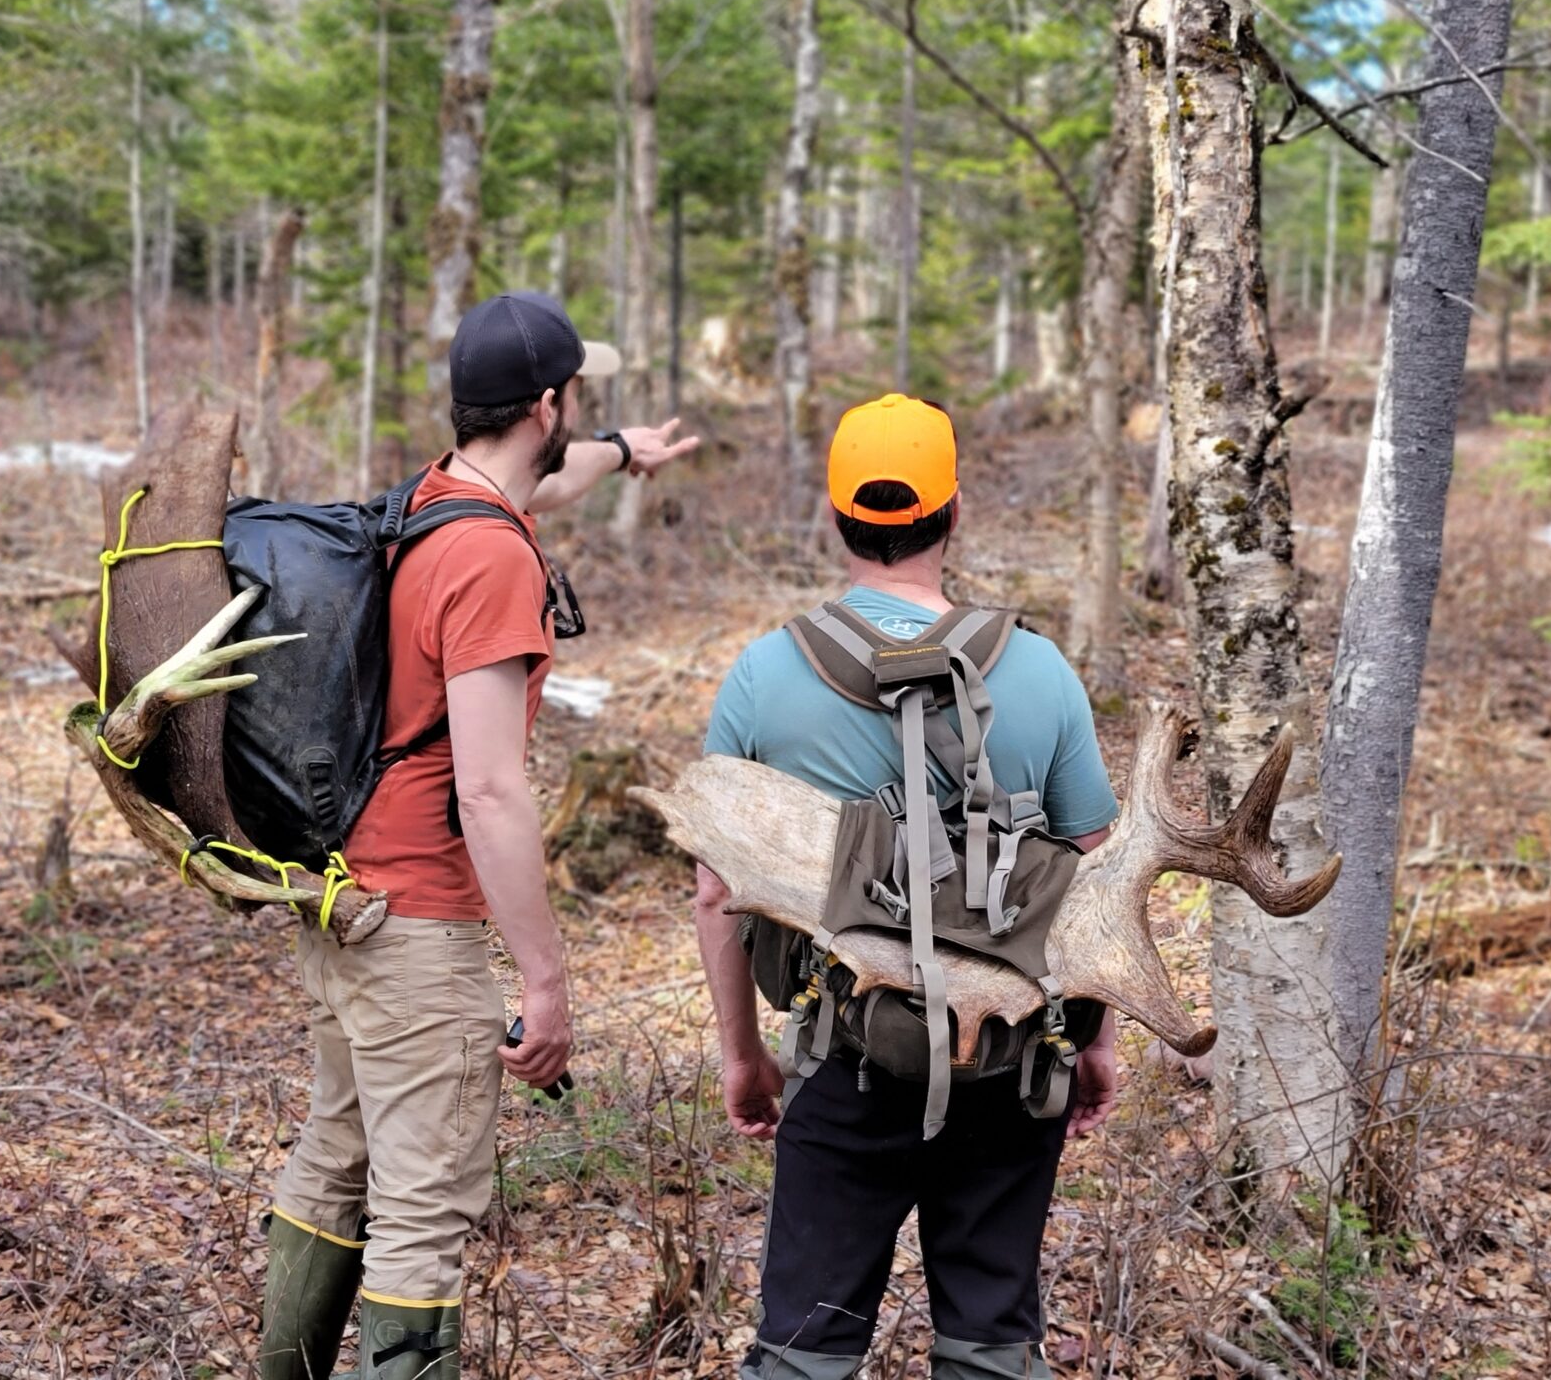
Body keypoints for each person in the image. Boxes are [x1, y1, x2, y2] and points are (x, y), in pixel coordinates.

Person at [259, 291, 699, 1380]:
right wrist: (543, 981)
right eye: (579, 401)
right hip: (422, 931)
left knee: (337, 1158)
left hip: (346, 906)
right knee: (422, 1213)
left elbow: (553, 473)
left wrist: (621, 452)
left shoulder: (431, 502)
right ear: (547, 402)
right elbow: (492, 792)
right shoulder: (493, 560)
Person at [693, 394, 1121, 1380]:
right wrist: (1096, 1040)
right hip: (1013, 1060)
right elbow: (1094, 876)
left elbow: (717, 893)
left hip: (842, 1053)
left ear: (837, 516)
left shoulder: (765, 676)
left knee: (804, 1348)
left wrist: (744, 1056)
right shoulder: (1043, 671)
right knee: (990, 1341)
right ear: (953, 511)